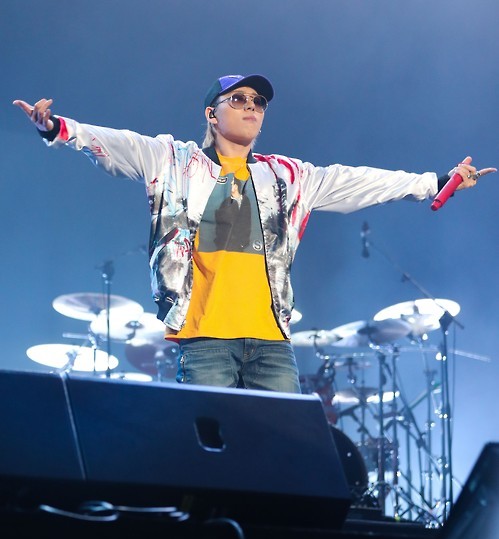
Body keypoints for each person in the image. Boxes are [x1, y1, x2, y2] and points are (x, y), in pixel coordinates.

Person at [13, 74, 496, 394]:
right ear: (211, 114)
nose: (251, 107)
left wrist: (436, 182)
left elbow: (357, 181)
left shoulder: (287, 176)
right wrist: (58, 127)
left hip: (271, 343)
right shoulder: (174, 160)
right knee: (210, 464)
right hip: (205, 338)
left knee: (278, 458)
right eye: (238, 99)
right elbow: (117, 145)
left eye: (258, 102)